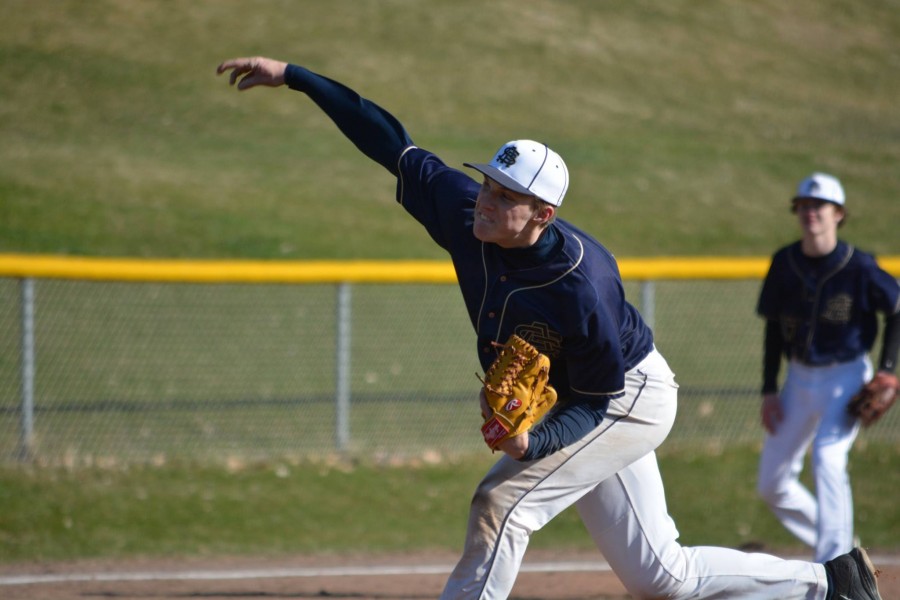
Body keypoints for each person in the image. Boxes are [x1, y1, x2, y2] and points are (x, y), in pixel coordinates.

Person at [216, 56, 884, 599]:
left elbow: (596, 399)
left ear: (542, 214)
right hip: (589, 395)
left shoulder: (580, 281)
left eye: (507, 197)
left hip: (625, 397)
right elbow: (389, 140)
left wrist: (536, 441)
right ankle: (829, 583)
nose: (486, 199)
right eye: (488, 184)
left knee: (501, 505)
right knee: (662, 577)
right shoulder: (464, 212)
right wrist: (297, 77)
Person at [755, 172, 900, 563]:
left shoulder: (860, 266)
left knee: (828, 459)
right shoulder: (785, 262)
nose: (810, 213)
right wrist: (769, 388)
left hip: (847, 377)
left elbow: (897, 309)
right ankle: (841, 545)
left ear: (839, 214)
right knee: (772, 483)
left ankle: (835, 569)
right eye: (803, 206)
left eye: (819, 206)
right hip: (798, 379)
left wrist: (888, 369)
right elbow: (772, 326)